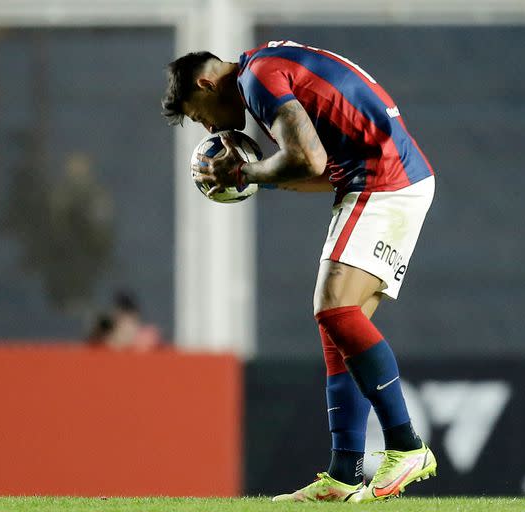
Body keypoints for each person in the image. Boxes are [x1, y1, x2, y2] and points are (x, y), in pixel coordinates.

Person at [161, 40, 436, 503]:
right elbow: (324, 166)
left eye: (198, 114)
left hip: (385, 179)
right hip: (383, 176)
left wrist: (246, 175)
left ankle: (406, 445)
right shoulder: (265, 66)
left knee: (333, 310)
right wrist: (261, 176)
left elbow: (307, 158)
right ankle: (344, 476)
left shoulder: (258, 79)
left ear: (207, 84)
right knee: (341, 330)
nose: (207, 126)